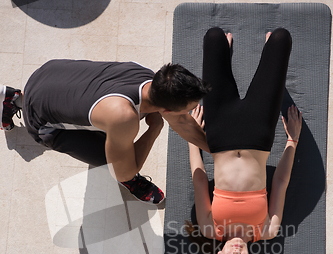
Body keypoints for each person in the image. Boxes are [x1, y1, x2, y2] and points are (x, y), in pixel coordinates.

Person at [187, 27, 302, 254]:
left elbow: (201, 182)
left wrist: (193, 135)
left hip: (220, 132)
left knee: (213, 36)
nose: (237, 251)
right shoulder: (266, 231)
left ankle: (225, 54)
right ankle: (266, 54)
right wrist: (292, 141)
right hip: (258, 132)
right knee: (281, 37)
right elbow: (280, 183)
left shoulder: (209, 229)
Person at [0, 61, 210, 204]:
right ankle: (19, 102)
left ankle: (13, 97)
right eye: (187, 109)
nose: (187, 114)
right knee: (114, 160)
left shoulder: (150, 79)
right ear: (166, 110)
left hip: (48, 73)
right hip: (41, 121)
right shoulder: (123, 117)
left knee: (116, 136)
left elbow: (181, 121)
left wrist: (218, 150)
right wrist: (154, 129)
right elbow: (121, 172)